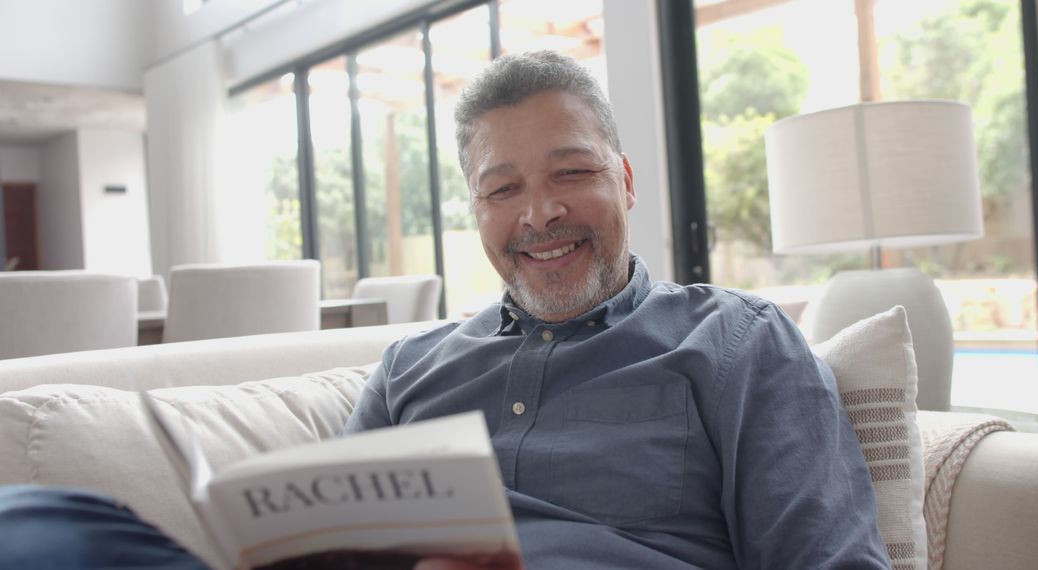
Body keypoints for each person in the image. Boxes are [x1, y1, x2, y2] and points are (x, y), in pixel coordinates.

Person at [0, 51, 889, 569]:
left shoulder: (733, 341)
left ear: (624, 178)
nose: (539, 214)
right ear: (476, 210)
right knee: (32, 523)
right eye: (503, 188)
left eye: (571, 173)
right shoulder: (412, 367)